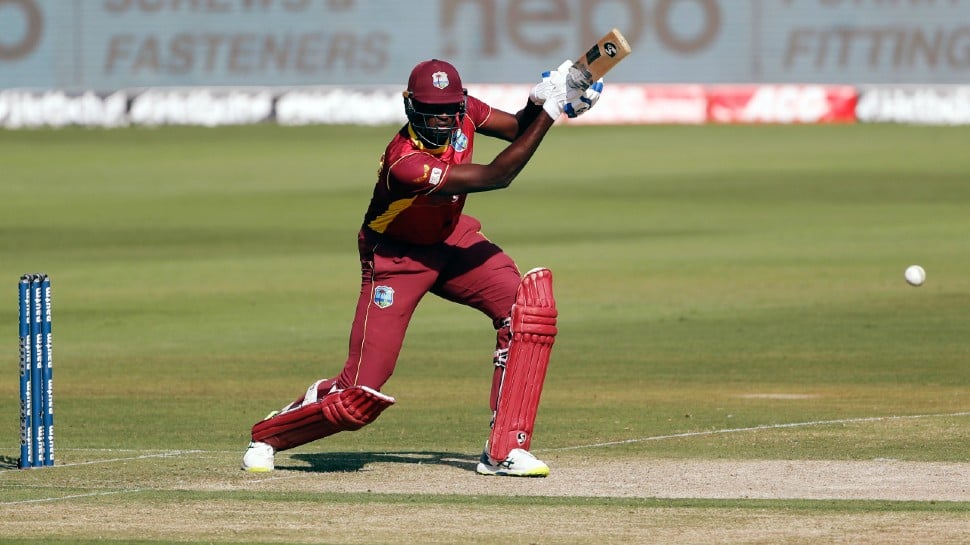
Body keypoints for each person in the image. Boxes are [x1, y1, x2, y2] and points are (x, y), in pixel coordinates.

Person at [242, 58, 602, 477]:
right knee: (358, 391)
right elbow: (497, 175)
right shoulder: (405, 162)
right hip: (397, 258)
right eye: (432, 112)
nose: (443, 120)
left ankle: (505, 449)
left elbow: (517, 128)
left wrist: (540, 102)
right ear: (410, 105)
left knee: (526, 313)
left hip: (452, 239)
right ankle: (269, 433)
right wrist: (552, 113)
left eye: (449, 110)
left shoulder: (464, 109)